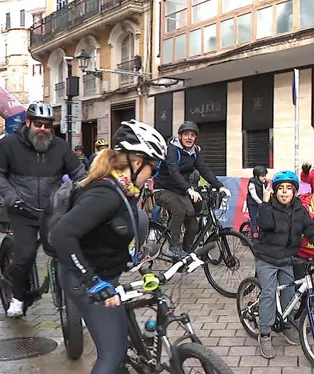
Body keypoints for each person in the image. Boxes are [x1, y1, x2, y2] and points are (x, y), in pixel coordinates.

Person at [50, 119, 166, 374]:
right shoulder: (105, 194)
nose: (152, 177)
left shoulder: (122, 190)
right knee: (112, 355)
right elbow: (61, 235)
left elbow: (111, 232)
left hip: (105, 273)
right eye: (153, 170)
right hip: (84, 278)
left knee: (123, 336)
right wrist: (92, 281)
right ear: (137, 163)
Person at [0, 101, 87, 318]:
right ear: (28, 122)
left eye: (47, 125)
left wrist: (91, 188)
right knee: (25, 255)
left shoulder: (61, 147)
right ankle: (18, 297)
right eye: (38, 123)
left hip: (53, 211)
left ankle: (76, 300)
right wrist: (11, 196)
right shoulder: (9, 145)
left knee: (67, 248)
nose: (43, 129)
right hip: (22, 210)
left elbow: (79, 174)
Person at [254, 170, 314, 359]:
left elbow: (313, 231)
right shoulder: (269, 207)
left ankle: (285, 324)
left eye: (289, 189)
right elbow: (264, 224)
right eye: (280, 189)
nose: (284, 192)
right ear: (274, 191)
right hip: (266, 258)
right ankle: (265, 334)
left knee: (290, 292)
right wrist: (265, 202)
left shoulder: (300, 210)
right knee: (269, 292)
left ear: (295, 192)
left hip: (286, 259)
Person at [153, 121, 231, 258]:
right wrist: (189, 189)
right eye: (186, 134)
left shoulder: (193, 153)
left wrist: (220, 186)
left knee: (193, 223)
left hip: (180, 191)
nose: (189, 137)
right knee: (179, 209)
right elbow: (174, 172)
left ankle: (186, 251)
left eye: (192, 135)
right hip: (162, 189)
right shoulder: (172, 150)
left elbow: (204, 170)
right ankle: (173, 246)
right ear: (180, 136)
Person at [246, 165, 268, 238]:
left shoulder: (265, 183)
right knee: (254, 218)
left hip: (261, 203)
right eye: (262, 176)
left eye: (265, 175)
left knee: (263, 219)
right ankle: (254, 233)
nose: (264, 177)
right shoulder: (252, 183)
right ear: (256, 176)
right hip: (253, 204)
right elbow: (253, 195)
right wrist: (260, 202)